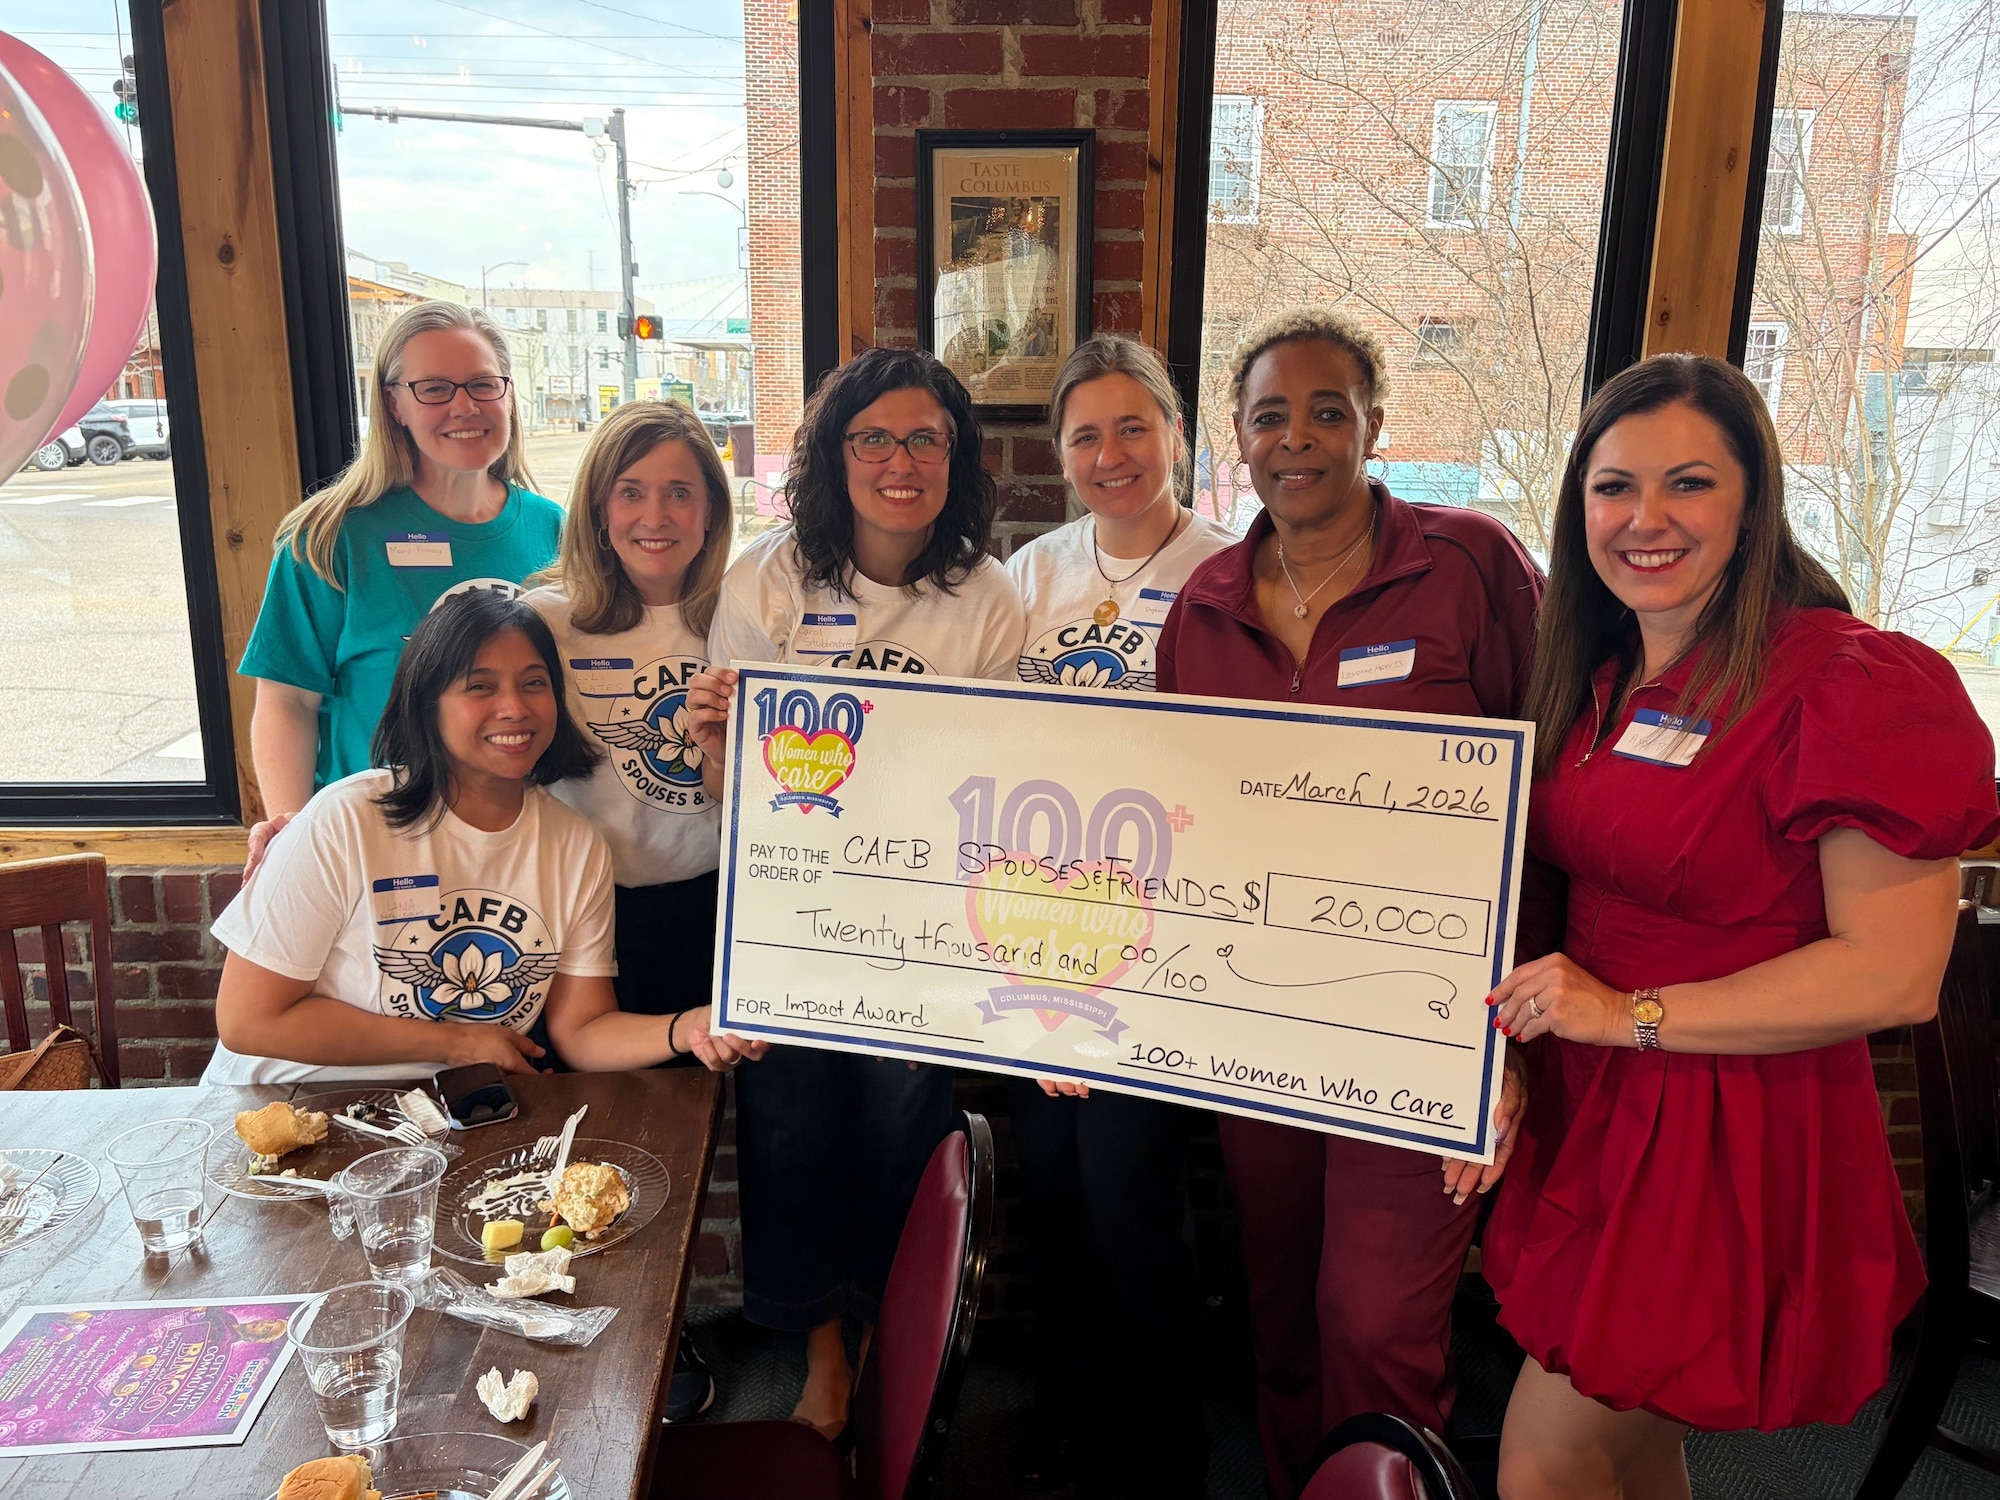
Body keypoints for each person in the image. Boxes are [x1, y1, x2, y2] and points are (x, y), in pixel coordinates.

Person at [1481, 354, 1999, 1500]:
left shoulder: (1851, 685)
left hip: (1728, 1122)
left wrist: (1626, 1015)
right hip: (1603, 1100)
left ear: (1754, 498)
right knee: (1630, 1442)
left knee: (1549, 1454)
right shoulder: (1602, 670)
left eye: (1688, 484)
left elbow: (1893, 977)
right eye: (1612, 487)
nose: (1643, 519)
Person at [1154, 308, 1542, 1498]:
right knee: (1277, 1310)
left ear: (1376, 424)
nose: (1299, 437)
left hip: (1424, 1022)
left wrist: (1512, 1036)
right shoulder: (1202, 606)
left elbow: (1547, 802)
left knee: (1369, 1320)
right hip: (1257, 1025)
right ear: (1237, 438)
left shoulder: (1469, 564)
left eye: (1329, 410)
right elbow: (1172, 820)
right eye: (1271, 415)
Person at [685, 346, 1026, 1441]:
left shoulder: (986, 593)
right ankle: (820, 1358)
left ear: (955, 457)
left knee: (899, 1128)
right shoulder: (768, 582)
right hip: (788, 916)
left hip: (924, 923)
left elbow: (1009, 773)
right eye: (871, 437)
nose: (898, 460)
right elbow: (724, 781)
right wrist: (709, 744)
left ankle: (886, 1340)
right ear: (833, 456)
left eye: (925, 437)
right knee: (787, 1134)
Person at [1002, 333, 1235, 1498]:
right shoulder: (1028, 577)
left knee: (1131, 1200)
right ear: (1058, 456)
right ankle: (1064, 1419)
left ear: (1176, 436)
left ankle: (1162, 1451)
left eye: (1132, 427)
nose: (1111, 453)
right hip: (1035, 934)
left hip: (1160, 945)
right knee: (1042, 1194)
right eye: (1085, 434)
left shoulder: (1229, 573)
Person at [203, 590, 736, 1085]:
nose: (514, 708)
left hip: (441, 1120)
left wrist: (690, 1025)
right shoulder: (345, 820)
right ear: (426, 703)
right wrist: (456, 1042)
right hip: (284, 1111)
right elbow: (249, 1021)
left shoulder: (574, 846)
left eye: (534, 683)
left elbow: (582, 1032)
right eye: (480, 686)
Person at [241, 300, 562, 824]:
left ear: (508, 393)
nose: (465, 407)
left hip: (519, 837)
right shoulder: (327, 539)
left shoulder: (554, 530)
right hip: (376, 839)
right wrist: (291, 836)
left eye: (483, 384)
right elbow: (287, 704)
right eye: (434, 388)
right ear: (394, 404)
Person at [524, 398, 746, 1067]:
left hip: (709, 904)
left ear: (711, 513)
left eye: (680, 493)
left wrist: (718, 753)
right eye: (631, 493)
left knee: (691, 1101)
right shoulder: (543, 622)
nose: (655, 517)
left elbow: (739, 787)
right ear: (599, 509)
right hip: (581, 911)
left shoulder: (742, 616)